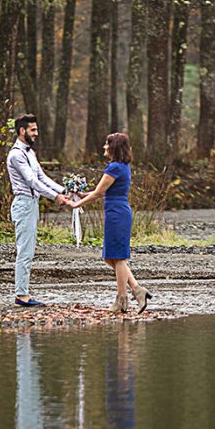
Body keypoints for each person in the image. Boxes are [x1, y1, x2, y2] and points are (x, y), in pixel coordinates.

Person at [68, 133, 152, 313]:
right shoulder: (121, 167)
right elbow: (103, 190)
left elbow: (98, 193)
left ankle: (121, 300)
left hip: (117, 214)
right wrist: (84, 194)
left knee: (118, 257)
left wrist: (77, 203)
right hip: (117, 212)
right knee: (110, 257)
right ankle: (137, 290)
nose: (104, 147)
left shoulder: (114, 167)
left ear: (114, 147)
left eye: (107, 144)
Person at [7, 114, 69, 307]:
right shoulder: (16, 154)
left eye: (36, 129)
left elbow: (42, 177)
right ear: (22, 131)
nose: (36, 133)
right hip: (24, 204)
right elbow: (31, 182)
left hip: (32, 204)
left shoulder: (30, 153)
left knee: (29, 250)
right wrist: (55, 197)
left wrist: (64, 190)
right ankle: (21, 295)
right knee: (24, 251)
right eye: (33, 130)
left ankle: (23, 292)